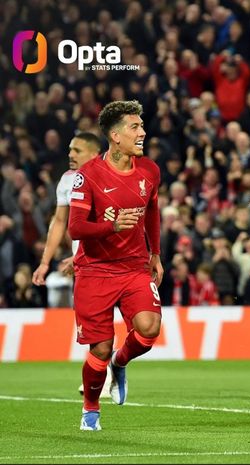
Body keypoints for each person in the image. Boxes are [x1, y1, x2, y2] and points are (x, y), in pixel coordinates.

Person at [68, 100, 163, 431]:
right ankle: (90, 408)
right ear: (115, 135)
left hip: (135, 265)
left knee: (149, 328)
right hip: (95, 270)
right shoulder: (88, 176)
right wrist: (112, 226)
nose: (143, 132)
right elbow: (75, 228)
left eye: (141, 126)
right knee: (100, 347)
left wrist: (156, 254)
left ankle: (120, 363)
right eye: (135, 127)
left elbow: (152, 210)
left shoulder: (150, 170)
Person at [30, 132, 113, 398]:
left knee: (127, 319)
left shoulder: (111, 175)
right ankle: (105, 369)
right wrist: (45, 262)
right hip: (86, 263)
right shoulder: (67, 181)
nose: (70, 155)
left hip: (115, 258)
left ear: (93, 153)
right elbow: (59, 222)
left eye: (76, 150)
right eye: (70, 149)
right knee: (93, 319)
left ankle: (114, 366)